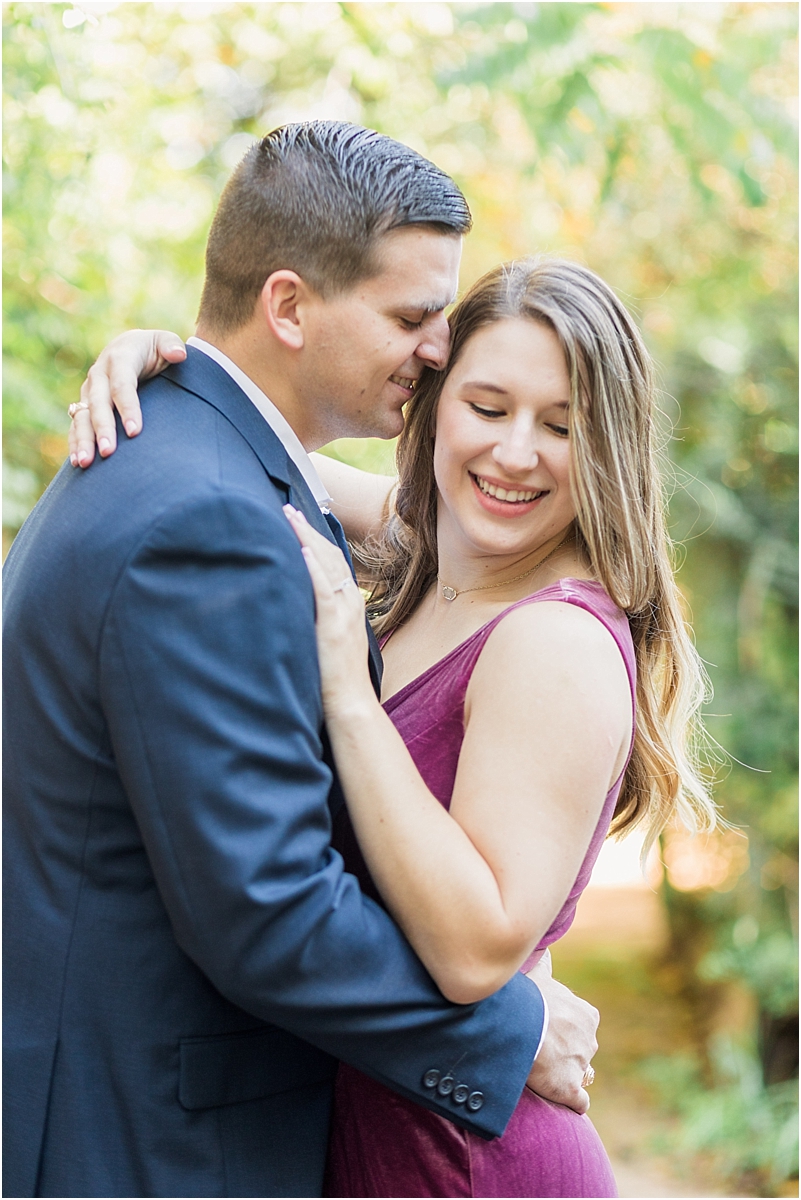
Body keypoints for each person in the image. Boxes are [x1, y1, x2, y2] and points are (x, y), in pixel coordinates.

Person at [3, 123, 598, 1200]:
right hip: (150, 1145)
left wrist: (162, 354)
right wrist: (510, 1031)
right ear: (287, 306)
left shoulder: (201, 465)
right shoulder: (209, 519)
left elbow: (449, 535)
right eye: (414, 318)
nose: (436, 349)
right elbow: (269, 908)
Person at [68, 256, 717, 1197]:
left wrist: (347, 692)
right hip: (368, 1128)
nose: (513, 454)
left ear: (606, 448)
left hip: (463, 1160)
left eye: (562, 427)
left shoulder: (553, 643)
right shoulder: (431, 548)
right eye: (487, 409)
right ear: (435, 400)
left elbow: (474, 948)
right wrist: (157, 368)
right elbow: (264, 449)